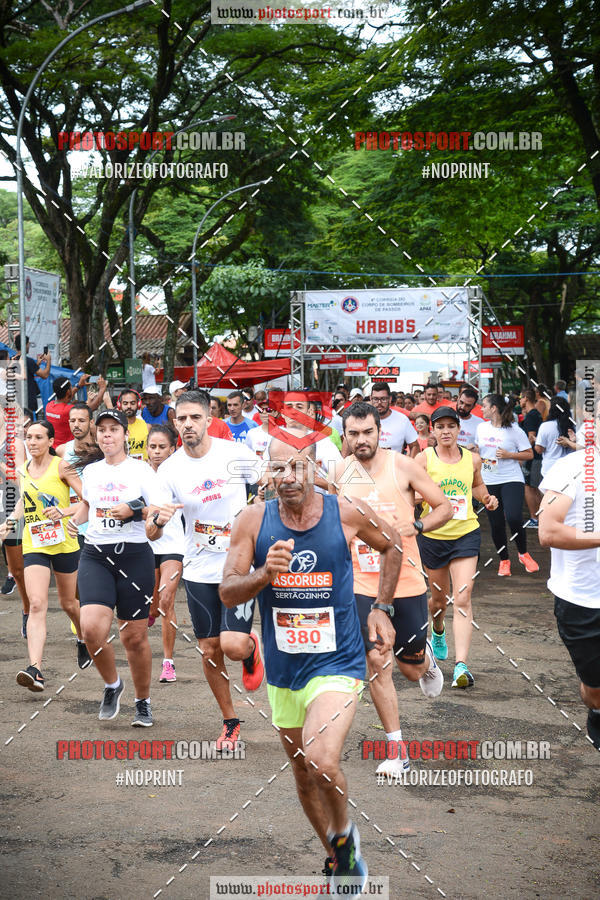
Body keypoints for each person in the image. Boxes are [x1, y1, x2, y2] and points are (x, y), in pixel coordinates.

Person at [219, 436, 402, 890]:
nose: (288, 478)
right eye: (278, 470)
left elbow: (393, 544)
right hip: (284, 668)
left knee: (322, 760)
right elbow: (228, 590)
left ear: (313, 468)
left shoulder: (345, 511)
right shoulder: (252, 520)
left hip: (338, 660)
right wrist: (265, 574)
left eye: (297, 468)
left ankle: (345, 841)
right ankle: (339, 862)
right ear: (268, 474)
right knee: (303, 775)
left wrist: (381, 607)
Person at [337, 402, 452, 777]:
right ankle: (397, 750)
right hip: (361, 583)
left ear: (379, 432)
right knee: (376, 662)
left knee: (410, 669)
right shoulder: (340, 471)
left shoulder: (403, 466)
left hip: (405, 580)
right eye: (353, 434)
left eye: (367, 432)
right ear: (345, 435)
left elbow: (445, 507)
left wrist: (416, 527)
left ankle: (425, 660)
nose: (361, 440)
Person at [147, 390, 264, 748]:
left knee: (231, 646)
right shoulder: (169, 470)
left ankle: (249, 648)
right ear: (174, 422)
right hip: (198, 568)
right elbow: (151, 530)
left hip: (238, 566)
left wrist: (257, 505)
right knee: (210, 649)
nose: (188, 425)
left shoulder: (234, 455)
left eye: (195, 418)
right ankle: (230, 721)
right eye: (181, 419)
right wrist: (160, 520)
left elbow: (263, 486)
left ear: (208, 419)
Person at [67, 408, 158, 726]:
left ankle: (143, 702)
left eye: (113, 430)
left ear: (124, 435)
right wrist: (73, 519)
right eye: (102, 430)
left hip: (134, 556)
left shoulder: (142, 470)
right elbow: (88, 506)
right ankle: (112, 684)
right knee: (90, 627)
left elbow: (156, 510)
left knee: (134, 638)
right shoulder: (90, 471)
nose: (107, 435)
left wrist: (131, 511)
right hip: (95, 555)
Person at [0, 420, 89, 691]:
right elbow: (23, 500)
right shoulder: (24, 469)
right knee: (37, 604)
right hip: (34, 544)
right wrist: (10, 523)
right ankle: (35, 669)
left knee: (69, 604)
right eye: (29, 437)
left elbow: (88, 499)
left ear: (51, 441)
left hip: (63, 544)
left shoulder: (61, 466)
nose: (32, 442)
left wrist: (64, 512)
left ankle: (83, 638)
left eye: (39, 437)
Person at [415, 406, 498, 688]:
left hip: (466, 532)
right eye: (441, 427)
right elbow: (410, 490)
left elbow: (477, 485)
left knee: (463, 597)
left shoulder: (473, 459)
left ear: (459, 430)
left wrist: (487, 498)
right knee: (439, 601)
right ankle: (438, 630)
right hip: (434, 535)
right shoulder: (423, 459)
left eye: (451, 426)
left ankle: (461, 666)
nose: (446, 431)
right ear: (432, 431)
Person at [538, 414, 600, 749]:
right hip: (582, 602)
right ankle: (596, 710)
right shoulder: (570, 468)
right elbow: (548, 531)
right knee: (595, 689)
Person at [476, 394, 539, 576]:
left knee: (513, 517)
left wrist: (509, 455)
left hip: (511, 478)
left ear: (494, 408)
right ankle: (504, 560)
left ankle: (523, 553)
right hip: (489, 480)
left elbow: (529, 454)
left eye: (484, 405)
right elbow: (480, 449)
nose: (482, 408)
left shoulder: (514, 430)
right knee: (496, 523)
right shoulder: (481, 428)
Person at [146, 425, 184, 683]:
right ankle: (150, 612)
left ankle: (168, 662)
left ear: (173, 449)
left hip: (173, 546)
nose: (157, 452)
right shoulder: (138, 474)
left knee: (166, 601)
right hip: (146, 545)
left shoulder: (182, 474)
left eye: (162, 447)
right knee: (151, 605)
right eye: (152, 447)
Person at [0, 402, 29, 635]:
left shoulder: (14, 444)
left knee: (18, 571)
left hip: (9, 510)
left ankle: (28, 610)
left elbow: (22, 481)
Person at [45, 373, 105, 444]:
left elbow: (66, 397)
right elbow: (94, 406)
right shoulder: (67, 410)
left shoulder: (49, 406)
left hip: (54, 446)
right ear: (68, 392)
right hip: (67, 449)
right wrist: (102, 388)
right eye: (71, 387)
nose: (72, 388)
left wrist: (79, 386)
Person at [369, 382, 418, 456]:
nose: (379, 403)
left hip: (394, 466)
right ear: (371, 399)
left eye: (383, 399)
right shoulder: (363, 419)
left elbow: (415, 446)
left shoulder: (402, 420)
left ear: (390, 399)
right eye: (375, 399)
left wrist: (409, 465)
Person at [519, 389, 543, 527]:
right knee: (533, 487)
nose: (519, 401)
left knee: (529, 487)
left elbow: (531, 437)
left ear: (526, 398)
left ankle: (535, 518)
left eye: (521, 398)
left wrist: (523, 454)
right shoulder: (533, 414)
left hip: (532, 457)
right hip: (535, 456)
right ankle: (539, 517)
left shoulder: (532, 416)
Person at [535, 397, 573, 478]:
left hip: (550, 469)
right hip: (568, 467)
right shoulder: (571, 425)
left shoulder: (545, 426)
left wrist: (537, 441)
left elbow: (539, 449)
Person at [14, 335, 51, 419]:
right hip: (28, 402)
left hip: (16, 401)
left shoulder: (12, 360)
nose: (29, 347)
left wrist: (36, 365)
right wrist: (48, 360)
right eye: (28, 344)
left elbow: (23, 374)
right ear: (25, 345)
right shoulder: (28, 361)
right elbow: (45, 375)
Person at [116, 389, 149, 461]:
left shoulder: (147, 426)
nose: (129, 406)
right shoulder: (114, 428)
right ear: (119, 405)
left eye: (132, 403)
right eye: (125, 403)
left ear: (139, 404)